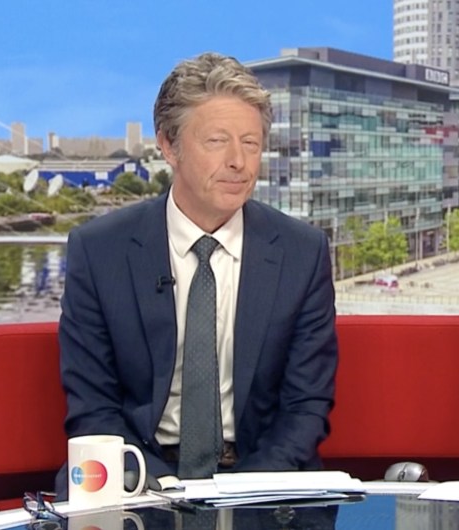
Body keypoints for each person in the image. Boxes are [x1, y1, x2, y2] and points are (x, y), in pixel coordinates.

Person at [56, 52, 338, 495]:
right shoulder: (99, 251)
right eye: (217, 141)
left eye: (250, 143)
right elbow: (94, 408)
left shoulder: (302, 253)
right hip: (137, 475)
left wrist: (236, 496)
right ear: (169, 145)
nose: (238, 162)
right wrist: (165, 488)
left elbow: (305, 409)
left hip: (262, 479)